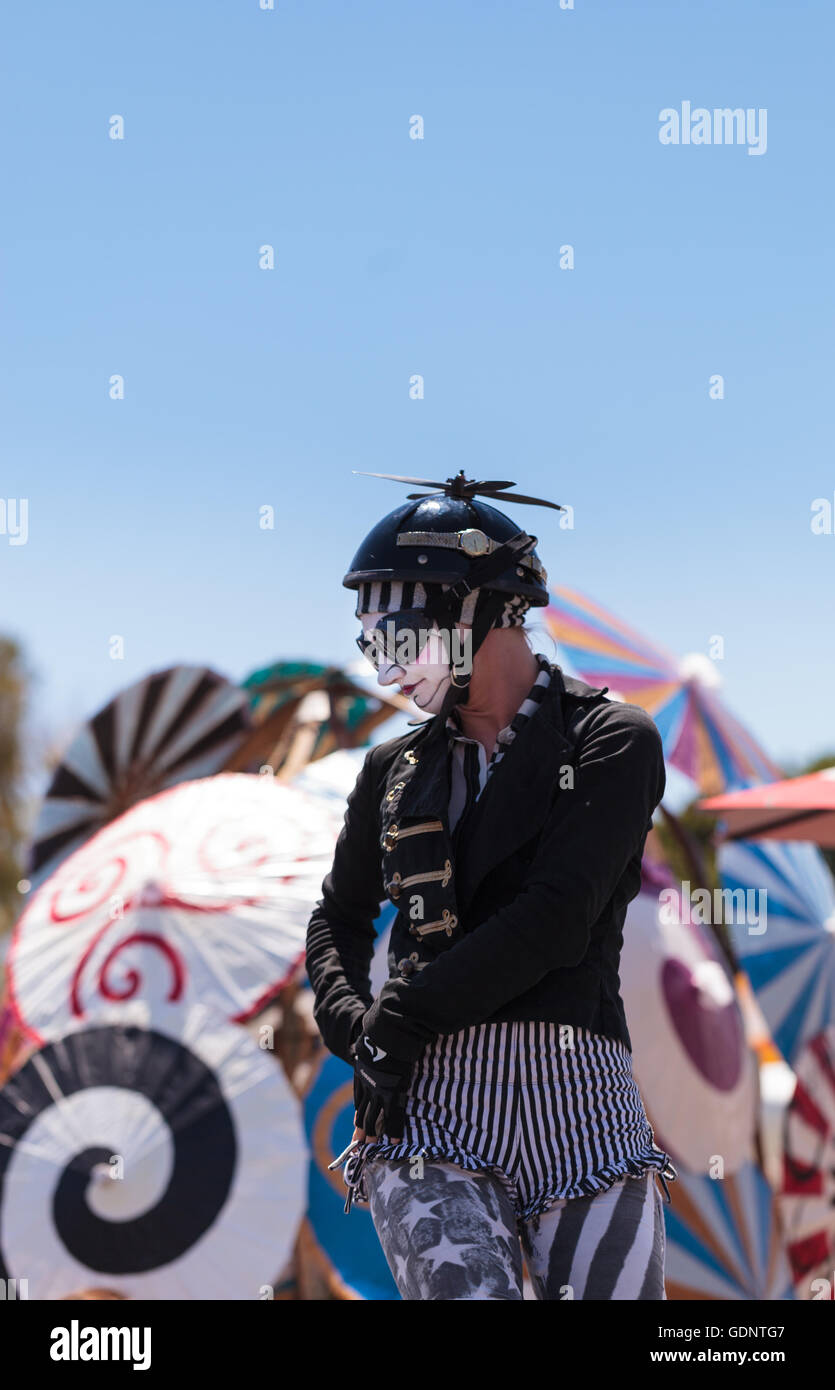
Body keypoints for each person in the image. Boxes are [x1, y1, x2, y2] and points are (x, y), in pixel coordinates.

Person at [305, 471, 676, 1301]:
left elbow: (556, 918)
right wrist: (352, 1025)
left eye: (395, 633)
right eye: (372, 641)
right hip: (429, 1110)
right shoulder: (390, 767)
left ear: (469, 612)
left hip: (584, 1112)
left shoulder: (611, 740)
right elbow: (337, 914)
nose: (383, 662)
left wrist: (399, 1014)